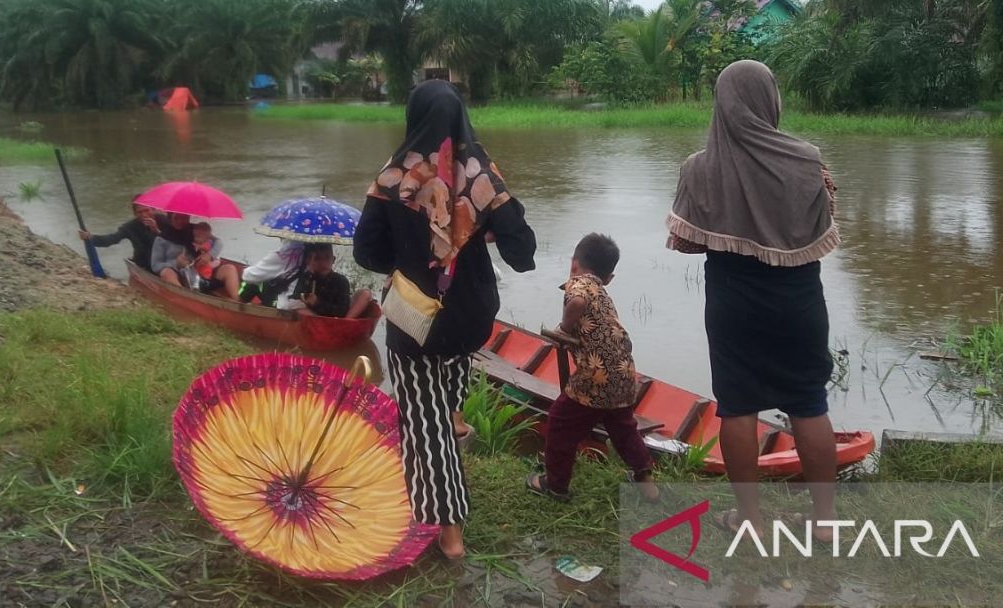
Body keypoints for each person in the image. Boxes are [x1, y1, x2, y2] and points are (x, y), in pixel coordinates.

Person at [353, 79, 537, 560]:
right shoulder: (481, 175)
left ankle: (450, 534)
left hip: (415, 318)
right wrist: (478, 235)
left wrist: (413, 255)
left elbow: (367, 252)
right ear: (460, 118)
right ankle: (451, 415)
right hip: (471, 314)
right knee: (450, 374)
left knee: (421, 424)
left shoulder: (393, 177)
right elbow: (523, 251)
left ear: (414, 117)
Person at [666, 60, 840, 540]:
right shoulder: (808, 161)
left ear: (721, 103)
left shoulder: (698, 169)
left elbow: (685, 242)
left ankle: (750, 519)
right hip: (799, 300)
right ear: (770, 100)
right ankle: (824, 522)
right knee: (809, 402)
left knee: (737, 406)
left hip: (732, 300)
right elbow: (825, 231)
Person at [526, 234, 658, 503]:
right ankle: (646, 482)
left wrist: (563, 328)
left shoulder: (579, 284)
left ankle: (555, 485)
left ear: (574, 264)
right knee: (623, 428)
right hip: (623, 372)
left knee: (561, 424)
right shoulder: (603, 292)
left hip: (595, 376)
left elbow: (576, 301)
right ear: (609, 277)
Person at [283, 244, 374, 318]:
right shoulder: (306, 278)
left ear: (333, 259)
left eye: (327, 258)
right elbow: (295, 299)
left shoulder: (341, 281)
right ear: (308, 260)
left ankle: (343, 324)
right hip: (313, 317)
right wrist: (304, 298)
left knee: (365, 293)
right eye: (317, 258)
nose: (322, 263)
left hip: (336, 319)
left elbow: (342, 311)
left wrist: (317, 303)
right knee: (296, 307)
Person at [78, 197, 161, 272]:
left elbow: (171, 239)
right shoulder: (130, 227)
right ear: (135, 214)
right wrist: (91, 238)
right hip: (145, 262)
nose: (144, 215)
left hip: (164, 260)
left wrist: (156, 230)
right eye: (139, 212)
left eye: (147, 210)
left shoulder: (163, 220)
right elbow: (113, 239)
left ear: (153, 209)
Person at [238, 240, 306, 305]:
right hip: (298, 298)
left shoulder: (284, 253)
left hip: (282, 303)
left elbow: (248, 276)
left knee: (251, 282)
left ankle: (237, 304)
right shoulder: (306, 252)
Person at [151, 213, 195, 285]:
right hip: (173, 272)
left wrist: (210, 254)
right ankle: (182, 294)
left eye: (184, 217)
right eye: (176, 218)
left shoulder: (195, 230)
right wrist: (176, 264)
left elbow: (217, 242)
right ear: (170, 218)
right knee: (167, 273)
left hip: (193, 269)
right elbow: (155, 265)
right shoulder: (161, 238)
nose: (180, 221)